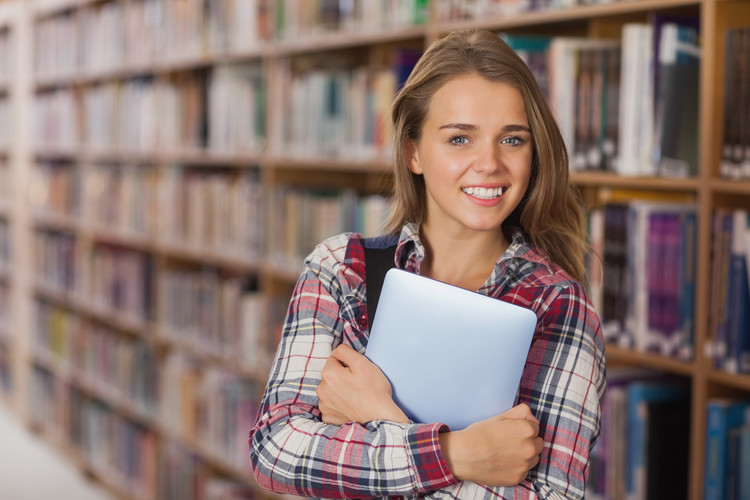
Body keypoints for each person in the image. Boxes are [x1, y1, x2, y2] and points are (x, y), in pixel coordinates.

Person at [249, 29, 606, 499]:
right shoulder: (342, 269)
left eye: (512, 140)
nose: (490, 163)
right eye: (460, 138)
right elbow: (278, 451)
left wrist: (381, 417)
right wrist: (458, 454)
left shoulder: (557, 304)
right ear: (413, 152)